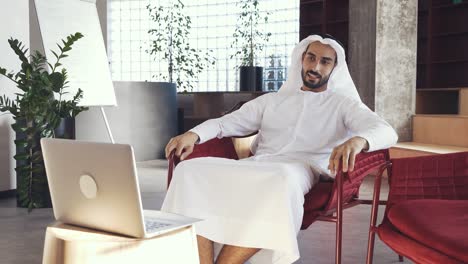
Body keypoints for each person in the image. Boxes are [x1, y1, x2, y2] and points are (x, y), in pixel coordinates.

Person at [162, 34, 398, 264]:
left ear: (334, 68)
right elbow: (226, 123)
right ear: (301, 60)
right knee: (190, 170)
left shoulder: (343, 104)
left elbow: (387, 131)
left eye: (325, 61)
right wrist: (194, 133)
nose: (315, 66)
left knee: (280, 179)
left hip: (300, 169)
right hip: (258, 164)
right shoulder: (272, 100)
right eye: (311, 58)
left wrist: (358, 141)